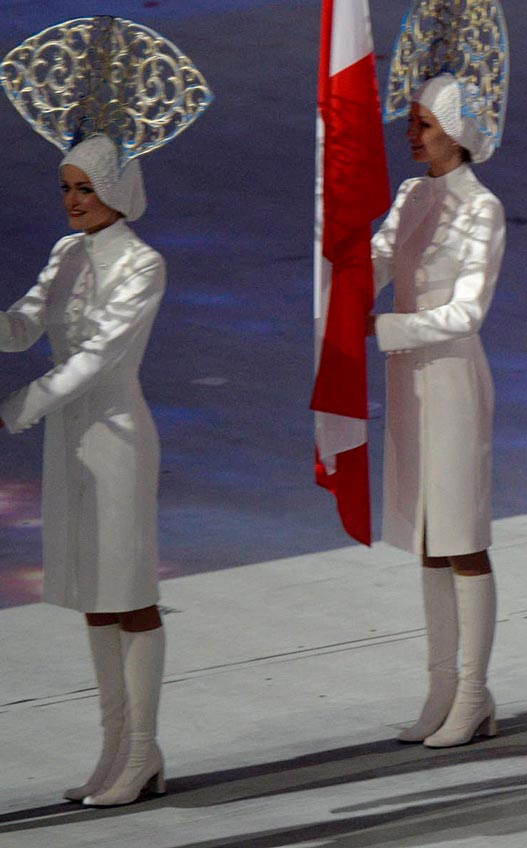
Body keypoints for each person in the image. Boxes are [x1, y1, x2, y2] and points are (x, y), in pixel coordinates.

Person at [0, 17, 212, 807]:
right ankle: (113, 747)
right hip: (68, 442)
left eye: (84, 188)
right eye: (64, 187)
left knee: (128, 593)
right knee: (91, 594)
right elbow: (24, 326)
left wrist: (12, 409)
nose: (71, 201)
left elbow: (97, 361)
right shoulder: (65, 255)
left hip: (117, 438)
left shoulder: (143, 265)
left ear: (118, 189)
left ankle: (145, 749)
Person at [368, 73, 506, 748]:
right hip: (409, 385)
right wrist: (340, 261)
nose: (411, 134)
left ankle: (475, 693)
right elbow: (377, 262)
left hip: (451, 381)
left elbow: (468, 311)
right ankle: (441, 686)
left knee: (461, 539)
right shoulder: (411, 195)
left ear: (456, 131)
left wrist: (390, 329)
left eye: (422, 123)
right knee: (426, 540)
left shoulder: (483, 209)